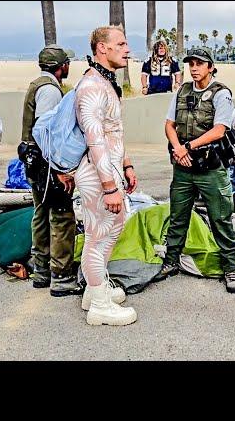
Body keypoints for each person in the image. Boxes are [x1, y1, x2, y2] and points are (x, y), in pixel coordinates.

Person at [160, 46, 235, 293]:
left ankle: (231, 268)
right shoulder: (182, 91)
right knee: (178, 217)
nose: (194, 68)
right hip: (183, 167)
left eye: (199, 63)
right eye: (191, 64)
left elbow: (220, 129)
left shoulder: (220, 93)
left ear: (210, 67)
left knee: (220, 218)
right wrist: (178, 149)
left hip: (210, 168)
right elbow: (169, 124)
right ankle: (171, 261)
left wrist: (187, 146)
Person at [74, 26, 138, 326]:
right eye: (121, 44)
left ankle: (94, 290)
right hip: (97, 176)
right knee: (97, 238)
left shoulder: (106, 82)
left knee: (111, 230)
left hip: (110, 172)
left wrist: (126, 165)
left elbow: (115, 132)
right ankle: (99, 306)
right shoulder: (91, 87)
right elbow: (95, 139)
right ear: (102, 48)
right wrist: (110, 186)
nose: (127, 49)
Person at [19, 44, 82, 297]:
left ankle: (42, 270)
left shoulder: (38, 84)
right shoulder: (50, 91)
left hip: (34, 160)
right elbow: (48, 132)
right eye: (67, 63)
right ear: (61, 66)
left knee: (41, 213)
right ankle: (61, 276)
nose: (68, 66)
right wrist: (59, 170)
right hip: (46, 163)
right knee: (62, 217)